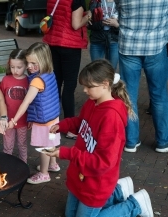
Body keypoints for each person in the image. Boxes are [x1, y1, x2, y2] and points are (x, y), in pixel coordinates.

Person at [47, 60, 153, 217]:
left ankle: (134, 205)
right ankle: (118, 191)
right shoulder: (93, 101)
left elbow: (103, 162)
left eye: (89, 86)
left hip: (97, 181)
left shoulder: (111, 118)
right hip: (81, 175)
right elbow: (82, 123)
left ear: (105, 84)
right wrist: (63, 125)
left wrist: (66, 153)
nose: (84, 90)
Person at [118, 0, 168, 153]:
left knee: (128, 96)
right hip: (156, 45)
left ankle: (131, 141)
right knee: (159, 95)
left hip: (128, 45)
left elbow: (115, 9)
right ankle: (163, 142)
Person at [8, 42, 61, 184]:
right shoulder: (49, 73)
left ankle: (44, 173)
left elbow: (25, 103)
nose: (29, 66)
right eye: (28, 62)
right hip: (53, 118)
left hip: (43, 121)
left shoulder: (37, 81)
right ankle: (53, 164)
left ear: (43, 61)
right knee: (51, 142)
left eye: (33, 63)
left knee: (44, 146)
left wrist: (14, 120)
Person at [43, 0, 91, 140]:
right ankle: (70, 128)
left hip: (53, 43)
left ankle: (52, 122)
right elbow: (75, 24)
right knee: (69, 87)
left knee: (55, 85)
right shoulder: (77, 0)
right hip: (70, 46)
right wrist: (88, 17)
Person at [0, 49, 29, 163]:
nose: (15, 70)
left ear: (26, 65)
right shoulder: (6, 80)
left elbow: (31, 103)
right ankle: (7, 166)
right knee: (7, 146)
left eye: (19, 67)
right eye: (12, 67)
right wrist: (0, 113)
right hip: (7, 121)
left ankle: (23, 165)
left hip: (23, 121)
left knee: (22, 145)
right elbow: (2, 100)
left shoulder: (29, 81)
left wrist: (31, 119)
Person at [88, 0, 119, 70]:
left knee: (111, 70)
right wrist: (101, 23)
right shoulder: (95, 2)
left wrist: (116, 25)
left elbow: (125, 26)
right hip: (97, 40)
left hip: (114, 40)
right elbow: (89, 24)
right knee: (96, 70)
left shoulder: (120, 3)